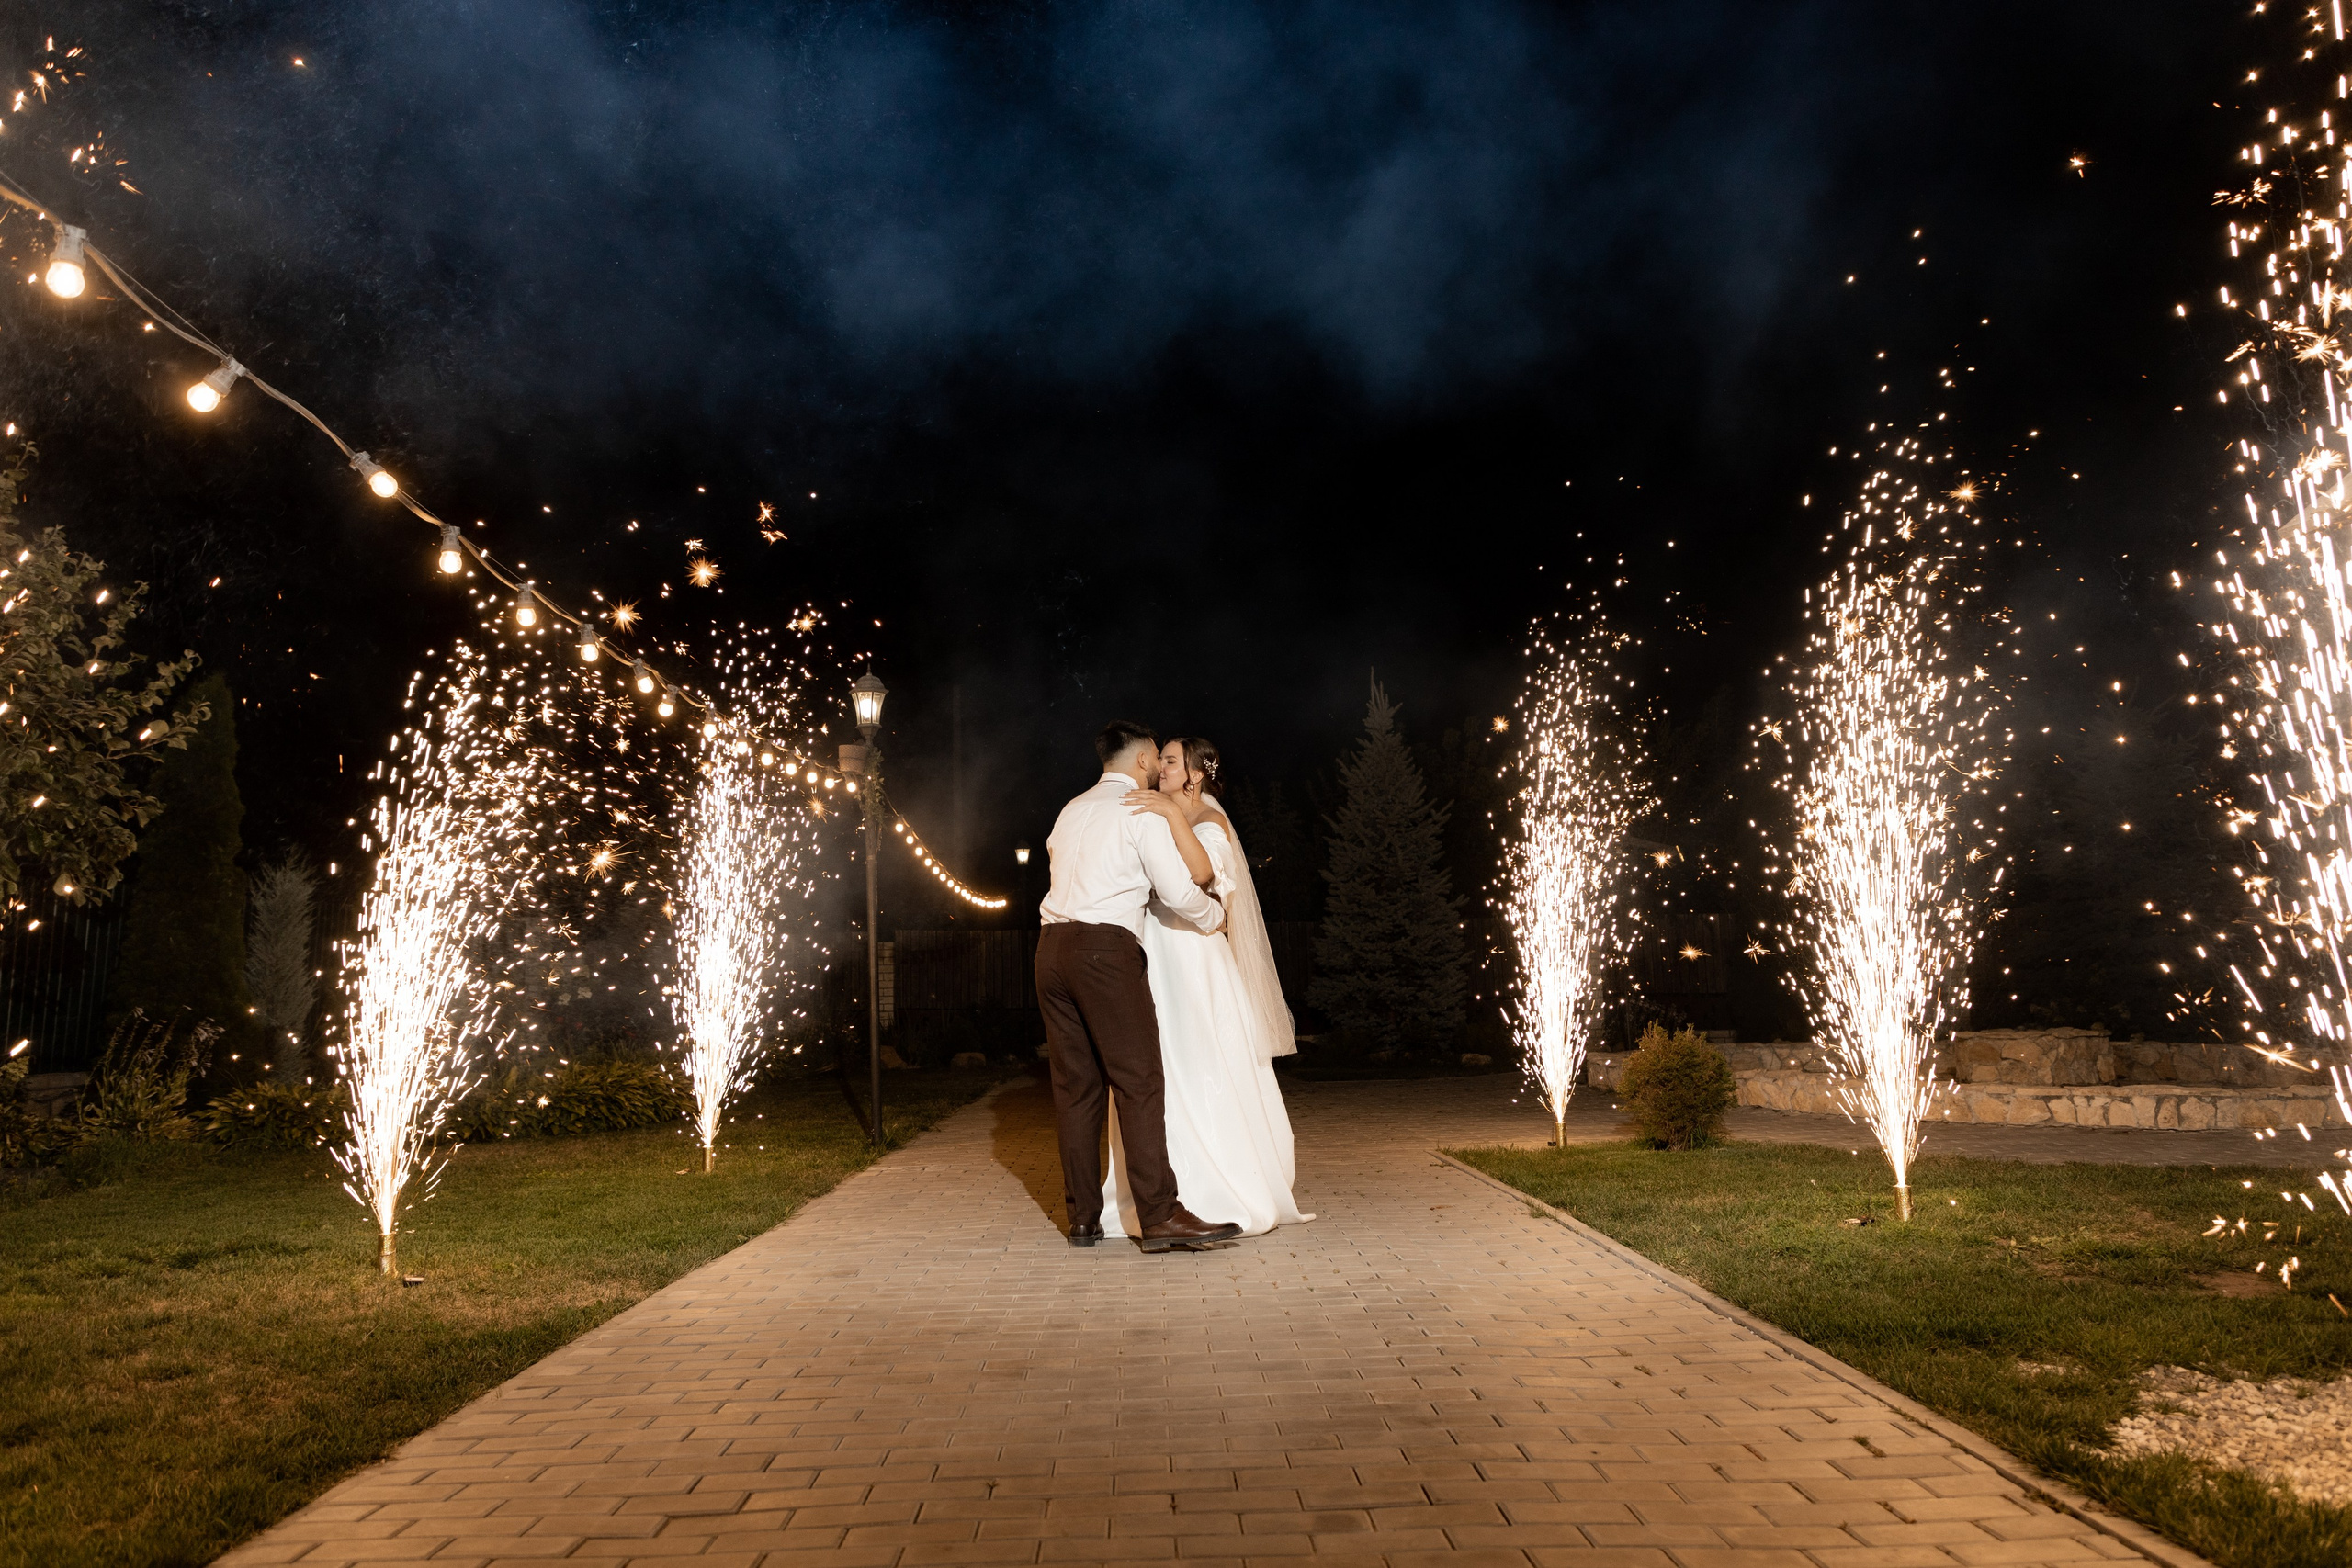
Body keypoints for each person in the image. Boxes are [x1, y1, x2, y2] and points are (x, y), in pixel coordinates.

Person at [1035, 719, 1245, 1253]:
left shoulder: (1071, 809)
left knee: (1075, 1089)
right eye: (1156, 759)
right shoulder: (1137, 809)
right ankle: (1159, 1216)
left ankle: (1083, 1219)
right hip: (1104, 952)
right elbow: (1178, 889)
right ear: (1144, 761)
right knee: (1139, 1081)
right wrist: (1211, 918)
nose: (1158, 768)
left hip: (1050, 950)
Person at [1102, 737, 1312, 1238]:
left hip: (1195, 955)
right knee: (1156, 1065)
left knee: (1201, 1058)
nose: (1161, 769)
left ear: (1195, 774)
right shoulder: (1150, 817)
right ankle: (1155, 1192)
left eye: (1171, 762)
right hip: (1154, 950)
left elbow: (1206, 881)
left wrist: (1174, 818)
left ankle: (1221, 1185)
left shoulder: (1210, 823)